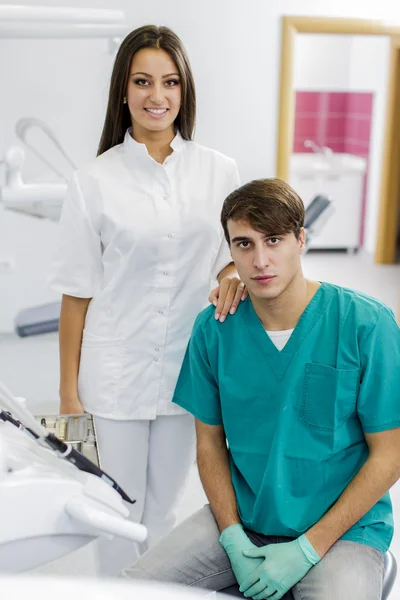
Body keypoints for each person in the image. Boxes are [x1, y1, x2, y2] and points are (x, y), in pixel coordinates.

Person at [123, 178, 400, 600]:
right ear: (230, 252)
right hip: (244, 519)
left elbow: (391, 452)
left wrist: (308, 548)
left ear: (301, 239)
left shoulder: (364, 324)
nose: (260, 260)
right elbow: (210, 445)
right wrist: (232, 537)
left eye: (274, 240)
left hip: (343, 530)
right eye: (245, 244)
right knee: (125, 591)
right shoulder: (214, 329)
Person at [49, 25, 246, 577]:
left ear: (184, 92)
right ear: (124, 90)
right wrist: (69, 393)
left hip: (187, 369)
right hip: (112, 374)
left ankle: (150, 590)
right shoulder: (92, 181)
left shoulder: (219, 171)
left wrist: (231, 269)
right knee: (114, 508)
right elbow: (76, 294)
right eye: (142, 81)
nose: (156, 96)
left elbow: (231, 251)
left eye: (169, 82)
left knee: (163, 510)